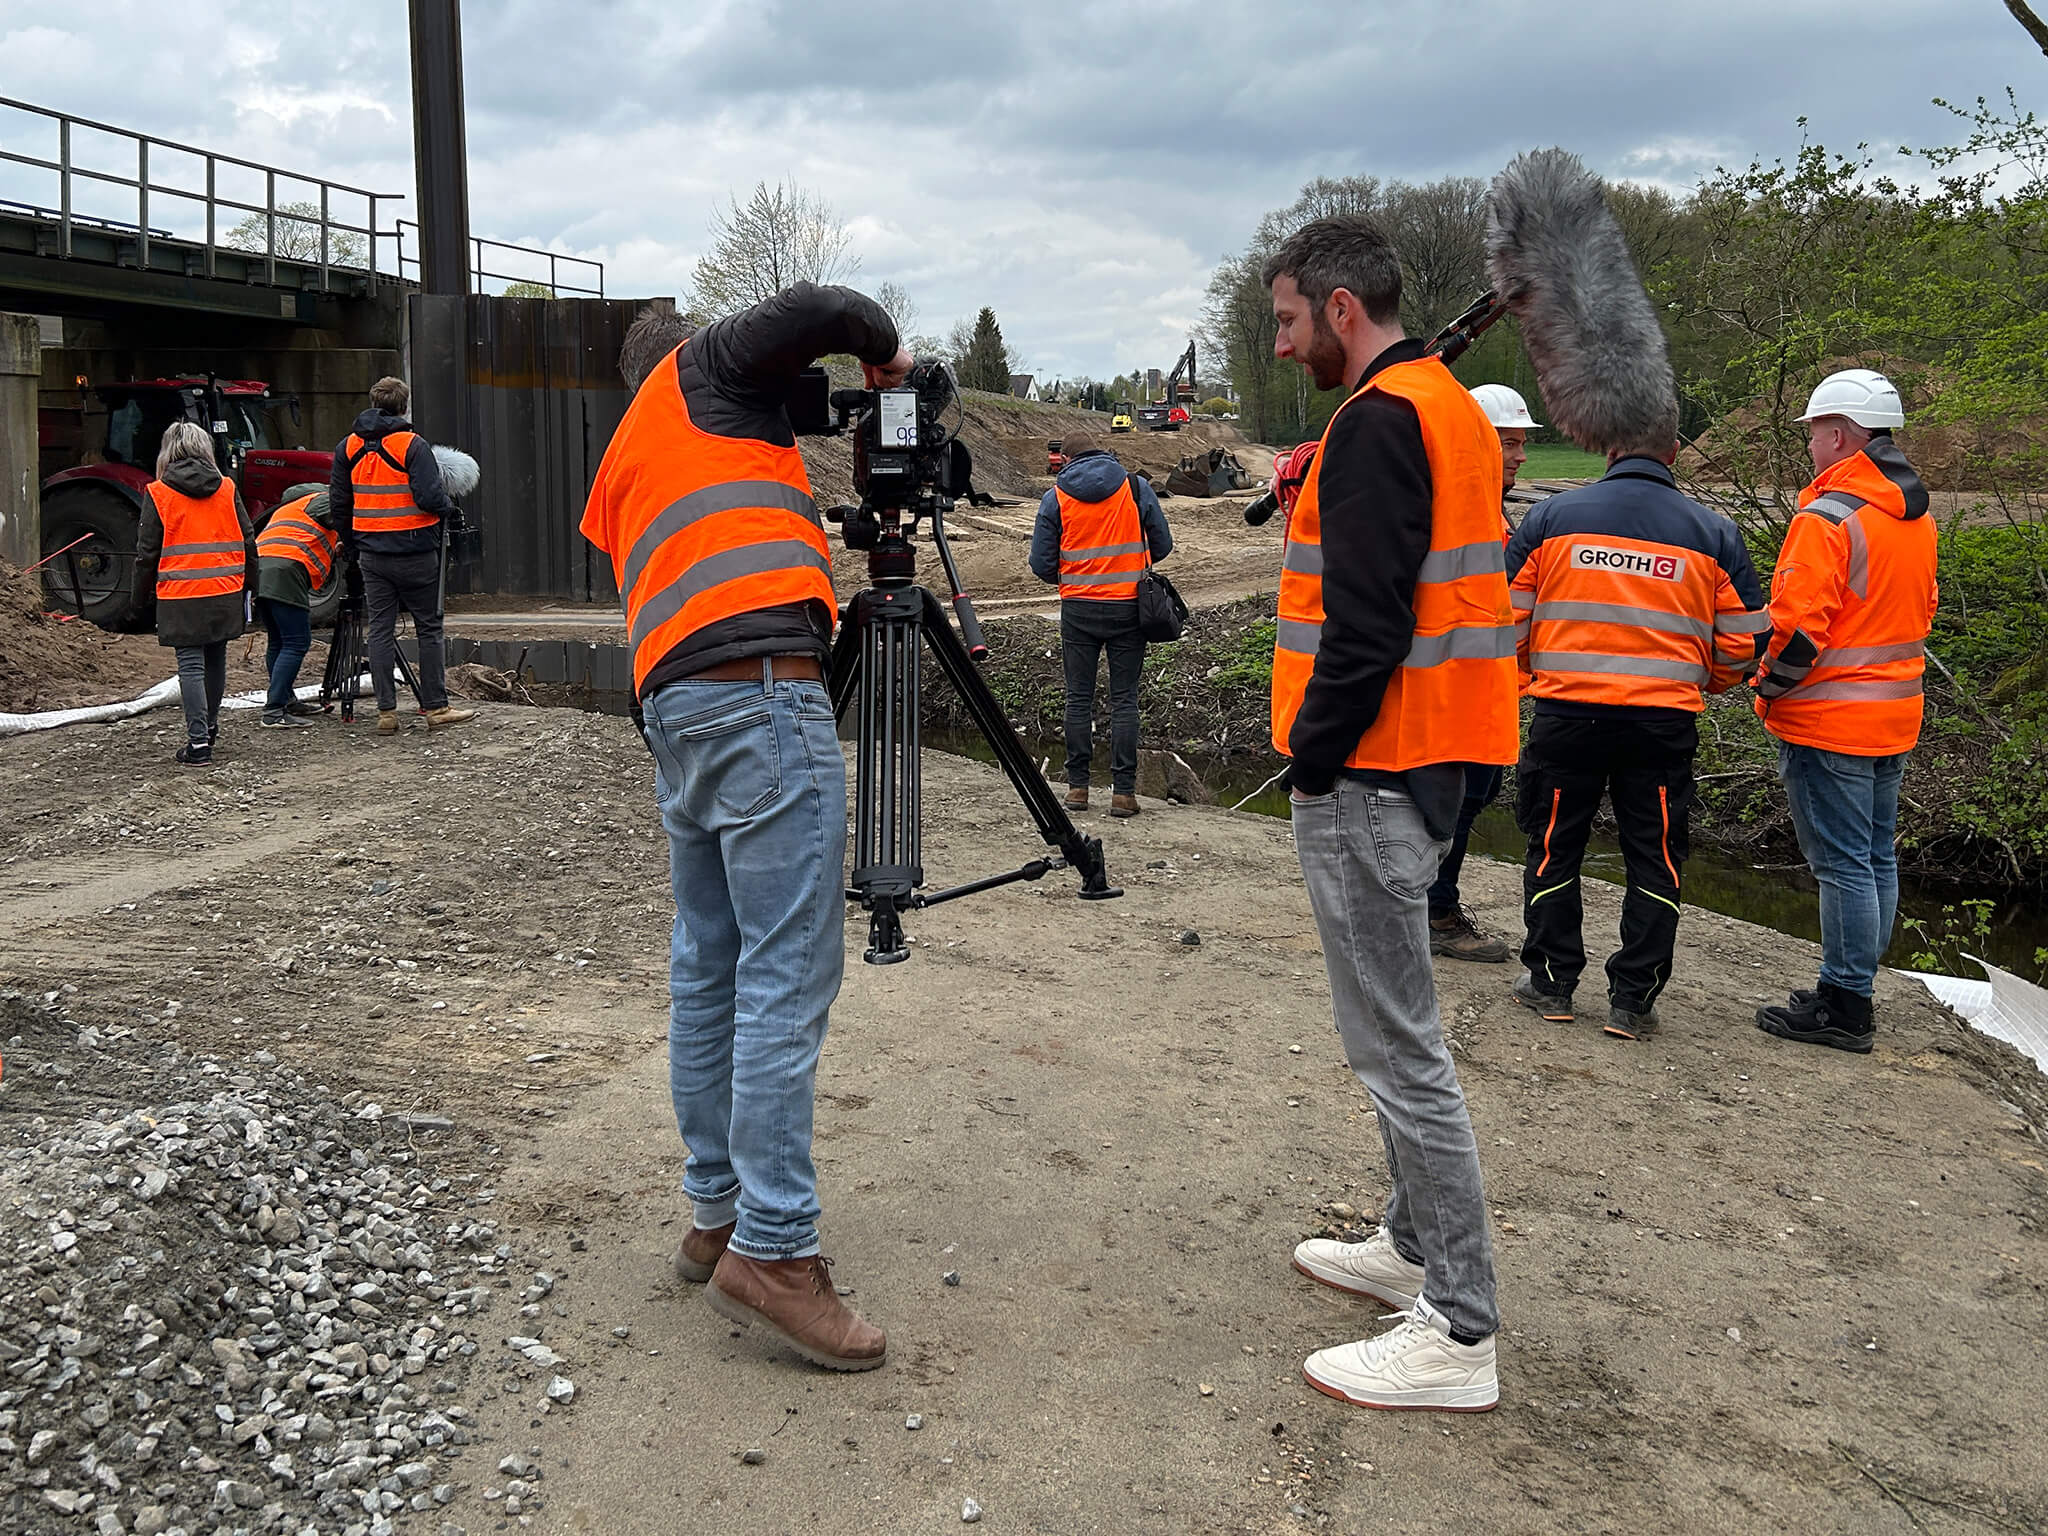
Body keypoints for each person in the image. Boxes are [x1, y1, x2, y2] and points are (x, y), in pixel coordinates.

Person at [581, 286, 910, 1372]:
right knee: (784, 975)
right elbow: (824, 307)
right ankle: (775, 1252)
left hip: (679, 713)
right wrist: (886, 360)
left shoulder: (628, 458)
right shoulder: (701, 372)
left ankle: (715, 1215)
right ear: (680, 357)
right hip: (761, 695)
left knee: (710, 967)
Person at [1264, 215, 1519, 1412]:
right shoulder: (1442, 408)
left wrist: (1312, 761)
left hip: (1373, 771)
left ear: (1339, 308)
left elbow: (1363, 625)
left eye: (1285, 320)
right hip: (1429, 758)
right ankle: (1411, 1247)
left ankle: (1457, 1329)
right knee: (1395, 1039)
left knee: (1397, 1050)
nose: (1280, 344)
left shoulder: (1376, 422)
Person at [1505, 422, 1766, 1039]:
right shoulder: (1714, 532)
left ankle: (1551, 984)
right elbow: (1745, 641)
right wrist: (1702, 682)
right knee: (1655, 856)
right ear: (1673, 452)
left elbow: (1504, 618)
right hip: (1661, 723)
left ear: (1610, 446)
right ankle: (1633, 1000)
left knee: (1554, 846)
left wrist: (1532, 673)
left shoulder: (1551, 519)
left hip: (1567, 717)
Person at [1753, 369, 1937, 1053]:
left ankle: (1846, 1003)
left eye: (1813, 433)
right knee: (1874, 857)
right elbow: (1924, 609)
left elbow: (1796, 632)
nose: (1809, 445)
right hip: (1895, 714)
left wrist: (1766, 688)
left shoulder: (1827, 518)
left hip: (1828, 720)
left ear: (1839, 434)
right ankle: (1850, 989)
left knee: (1843, 866)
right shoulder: (1914, 517)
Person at [1425, 383, 1542, 963]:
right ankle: (1434, 912)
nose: (1520, 456)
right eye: (1509, 443)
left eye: (1522, 444)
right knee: (1456, 804)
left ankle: (1432, 907)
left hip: (1487, 689)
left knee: (1467, 801)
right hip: (1458, 693)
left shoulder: (1486, 511)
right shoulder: (1459, 512)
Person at [1028, 432, 1172, 816]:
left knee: (1078, 698)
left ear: (1066, 459)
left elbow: (1041, 563)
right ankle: (1123, 794)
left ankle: (1077, 789)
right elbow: (1163, 544)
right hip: (1129, 607)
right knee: (1124, 699)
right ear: (1103, 452)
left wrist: (1074, 577)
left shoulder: (1055, 497)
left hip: (1078, 610)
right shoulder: (1135, 488)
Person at [328, 376, 476, 733]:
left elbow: (339, 503)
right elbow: (428, 497)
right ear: (404, 407)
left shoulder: (348, 447)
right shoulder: (412, 445)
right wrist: (447, 508)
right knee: (429, 627)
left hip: (371, 554)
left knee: (380, 629)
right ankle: (436, 707)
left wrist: (352, 542)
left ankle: (386, 712)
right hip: (415, 550)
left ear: (373, 402)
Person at [135, 422, 257, 766]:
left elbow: (146, 553)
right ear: (206, 449)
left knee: (190, 665)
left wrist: (137, 600)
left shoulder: (158, 492)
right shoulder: (227, 488)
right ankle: (210, 729)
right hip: (225, 590)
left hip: (181, 594)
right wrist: (252, 587)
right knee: (215, 660)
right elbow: (248, 539)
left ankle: (198, 742)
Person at [253, 481, 341, 728]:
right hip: (286, 570)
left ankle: (286, 699)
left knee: (278, 641)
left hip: (260, 568)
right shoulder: (323, 499)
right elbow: (344, 513)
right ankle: (274, 710)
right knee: (296, 642)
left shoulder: (292, 507)